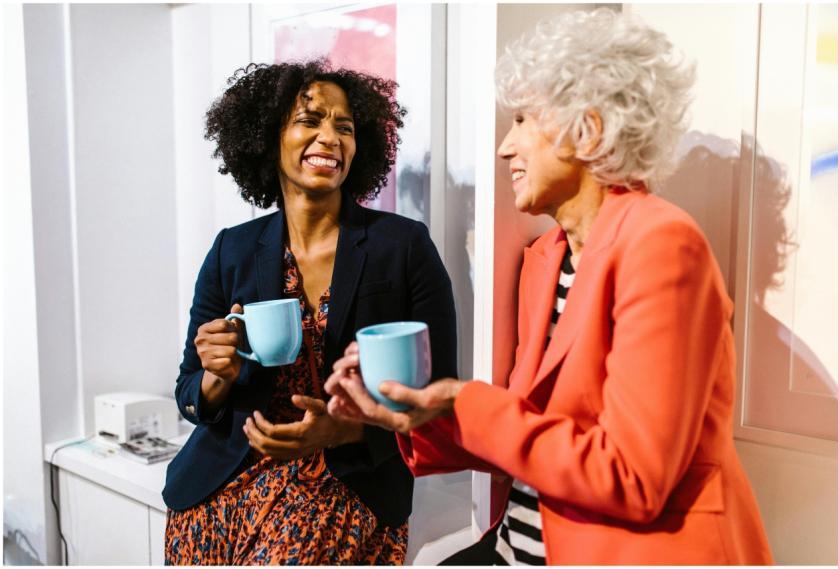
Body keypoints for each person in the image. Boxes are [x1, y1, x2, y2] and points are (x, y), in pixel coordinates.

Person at [326, 9, 773, 565]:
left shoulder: (664, 245)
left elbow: (633, 479)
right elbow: (531, 435)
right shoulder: (547, 256)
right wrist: (410, 412)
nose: (504, 148)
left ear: (585, 129)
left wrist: (465, 399)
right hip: (519, 543)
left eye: (521, 121)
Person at [161, 59, 457, 565]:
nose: (330, 137)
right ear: (266, 138)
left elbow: (439, 398)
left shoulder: (402, 246)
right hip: (218, 487)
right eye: (310, 121)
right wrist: (216, 378)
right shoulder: (232, 250)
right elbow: (189, 394)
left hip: (346, 485)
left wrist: (342, 430)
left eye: (344, 127)